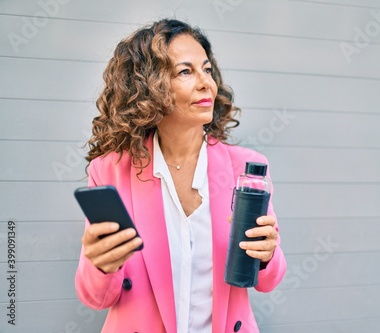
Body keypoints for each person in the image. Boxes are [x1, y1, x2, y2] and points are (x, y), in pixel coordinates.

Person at [74, 18, 286, 333]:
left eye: (207, 69)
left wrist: (267, 255)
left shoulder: (247, 167)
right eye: (186, 71)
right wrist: (99, 264)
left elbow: (269, 280)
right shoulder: (109, 171)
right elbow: (96, 297)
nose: (206, 83)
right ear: (147, 86)